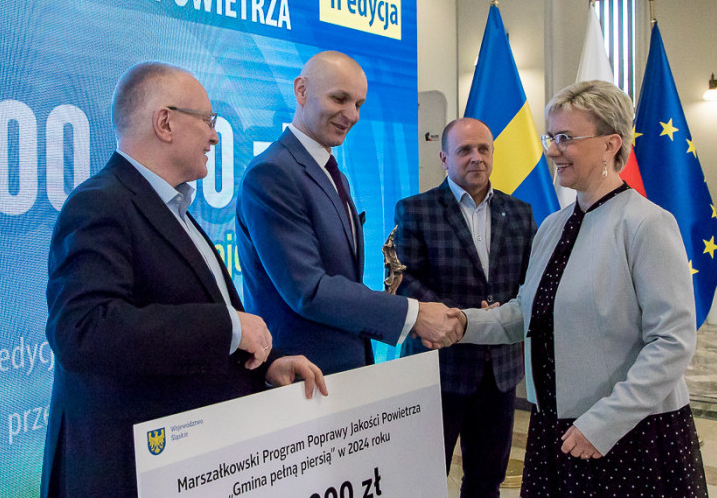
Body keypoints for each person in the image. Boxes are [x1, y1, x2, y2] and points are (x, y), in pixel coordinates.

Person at [40, 62, 327, 498]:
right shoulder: (100, 204)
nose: (215, 136)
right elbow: (84, 330)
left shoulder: (172, 208)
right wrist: (229, 327)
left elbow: (192, 321)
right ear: (165, 123)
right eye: (208, 121)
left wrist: (268, 364)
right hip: (129, 472)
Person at [456, 79, 708, 497]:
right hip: (555, 426)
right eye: (551, 137)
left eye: (565, 138)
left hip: (627, 432)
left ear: (611, 144)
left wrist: (603, 423)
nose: (552, 150)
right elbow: (528, 312)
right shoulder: (553, 226)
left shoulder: (647, 224)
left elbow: (672, 342)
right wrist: (461, 323)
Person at [236, 50, 463, 375]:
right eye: (339, 99)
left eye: (358, 104)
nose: (352, 115)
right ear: (301, 90)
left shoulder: (334, 174)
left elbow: (342, 281)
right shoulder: (272, 173)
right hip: (300, 376)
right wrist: (413, 315)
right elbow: (310, 290)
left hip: (343, 374)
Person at [390, 117, 535, 497]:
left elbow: (531, 281)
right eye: (465, 150)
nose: (476, 158)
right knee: (422, 481)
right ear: (444, 158)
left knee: (487, 482)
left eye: (483, 149)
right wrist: (466, 319)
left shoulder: (520, 212)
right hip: (439, 367)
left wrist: (499, 315)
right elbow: (404, 280)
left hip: (500, 372)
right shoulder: (415, 210)